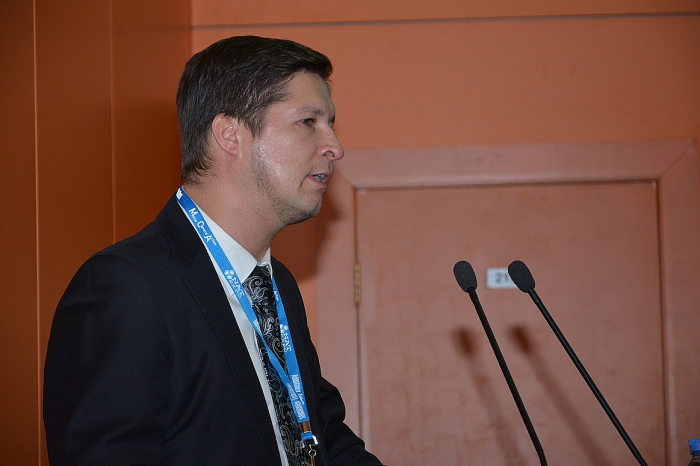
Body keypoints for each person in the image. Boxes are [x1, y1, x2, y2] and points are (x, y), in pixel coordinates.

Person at [43, 35, 384, 466]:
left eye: (330, 122)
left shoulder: (275, 285)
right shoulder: (126, 287)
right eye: (308, 122)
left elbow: (321, 436)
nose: (334, 145)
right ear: (229, 135)